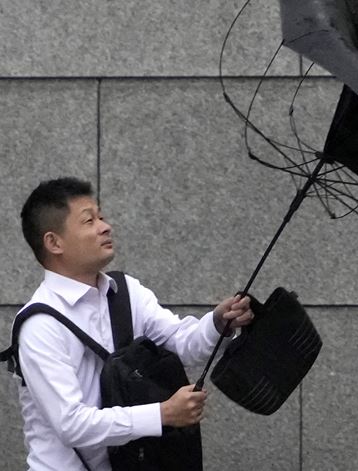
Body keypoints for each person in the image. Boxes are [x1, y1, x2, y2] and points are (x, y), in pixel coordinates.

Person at [14, 176, 254, 470]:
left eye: (101, 216)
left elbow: (183, 343)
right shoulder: (39, 325)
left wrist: (219, 322)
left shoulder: (125, 292)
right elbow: (71, 424)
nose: (105, 226)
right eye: (89, 221)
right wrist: (163, 414)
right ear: (54, 242)